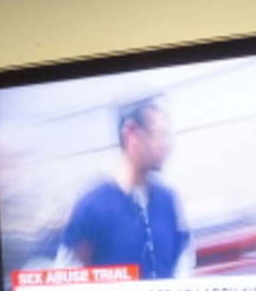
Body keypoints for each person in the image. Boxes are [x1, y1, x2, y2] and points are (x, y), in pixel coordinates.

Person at [50, 96, 188, 279]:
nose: (167, 146)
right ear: (131, 134)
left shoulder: (168, 201)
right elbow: (66, 279)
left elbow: (183, 265)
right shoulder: (91, 206)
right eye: (160, 135)